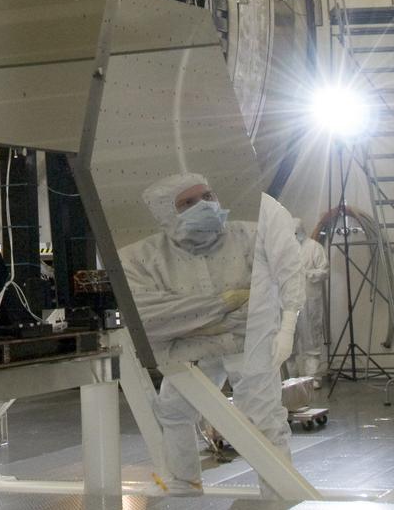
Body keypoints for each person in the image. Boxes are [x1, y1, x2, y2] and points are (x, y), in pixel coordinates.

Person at [119, 172, 304, 496]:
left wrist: (189, 315)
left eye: (207, 196)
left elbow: (267, 298)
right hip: (193, 348)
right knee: (174, 409)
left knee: (264, 419)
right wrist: (224, 304)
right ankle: (185, 482)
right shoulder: (144, 256)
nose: (203, 206)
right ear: (167, 213)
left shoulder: (251, 235)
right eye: (188, 203)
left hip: (243, 342)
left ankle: (280, 496)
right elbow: (146, 315)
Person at [291, 218, 329, 383]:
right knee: (288, 342)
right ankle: (290, 379)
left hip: (309, 301)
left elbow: (324, 271)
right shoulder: (285, 249)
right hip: (288, 303)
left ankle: (311, 378)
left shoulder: (314, 247)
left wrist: (308, 273)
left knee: (310, 341)